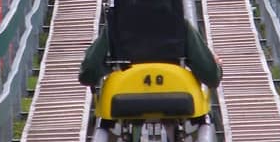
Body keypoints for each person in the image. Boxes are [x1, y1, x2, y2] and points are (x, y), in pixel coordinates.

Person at [78, 19, 222, 89]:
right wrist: (216, 68)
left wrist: (103, 69)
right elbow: (210, 76)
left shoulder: (116, 26)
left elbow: (89, 71)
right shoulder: (179, 25)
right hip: (174, 91)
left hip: (125, 91)